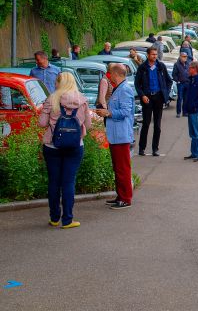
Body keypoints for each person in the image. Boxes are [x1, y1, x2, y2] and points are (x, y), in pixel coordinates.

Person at [38, 72, 91, 229]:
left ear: (59, 83)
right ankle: (67, 220)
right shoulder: (82, 100)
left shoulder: (51, 99)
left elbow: (41, 123)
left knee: (54, 182)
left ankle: (54, 218)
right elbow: (88, 125)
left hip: (52, 146)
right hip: (75, 147)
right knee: (68, 182)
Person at [95, 64, 135, 210]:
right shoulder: (120, 88)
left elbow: (125, 112)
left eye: (110, 73)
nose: (108, 76)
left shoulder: (124, 89)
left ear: (116, 74)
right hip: (116, 135)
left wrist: (108, 113)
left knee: (122, 168)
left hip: (121, 135)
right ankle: (120, 195)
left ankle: (126, 198)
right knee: (118, 167)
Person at [134, 47, 173, 157]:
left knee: (157, 125)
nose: (154, 56)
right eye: (152, 54)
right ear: (147, 55)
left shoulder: (161, 67)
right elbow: (137, 84)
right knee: (146, 123)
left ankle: (155, 149)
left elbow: (169, 81)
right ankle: (142, 148)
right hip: (147, 99)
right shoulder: (142, 68)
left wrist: (165, 93)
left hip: (158, 98)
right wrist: (142, 95)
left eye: (156, 54)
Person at [172, 52, 190, 118]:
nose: (185, 58)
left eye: (186, 56)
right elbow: (174, 74)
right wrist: (178, 81)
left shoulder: (188, 64)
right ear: (180, 57)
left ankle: (185, 112)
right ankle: (178, 112)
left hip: (187, 83)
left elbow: (190, 72)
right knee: (180, 98)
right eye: (183, 56)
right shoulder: (176, 64)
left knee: (186, 98)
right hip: (181, 84)